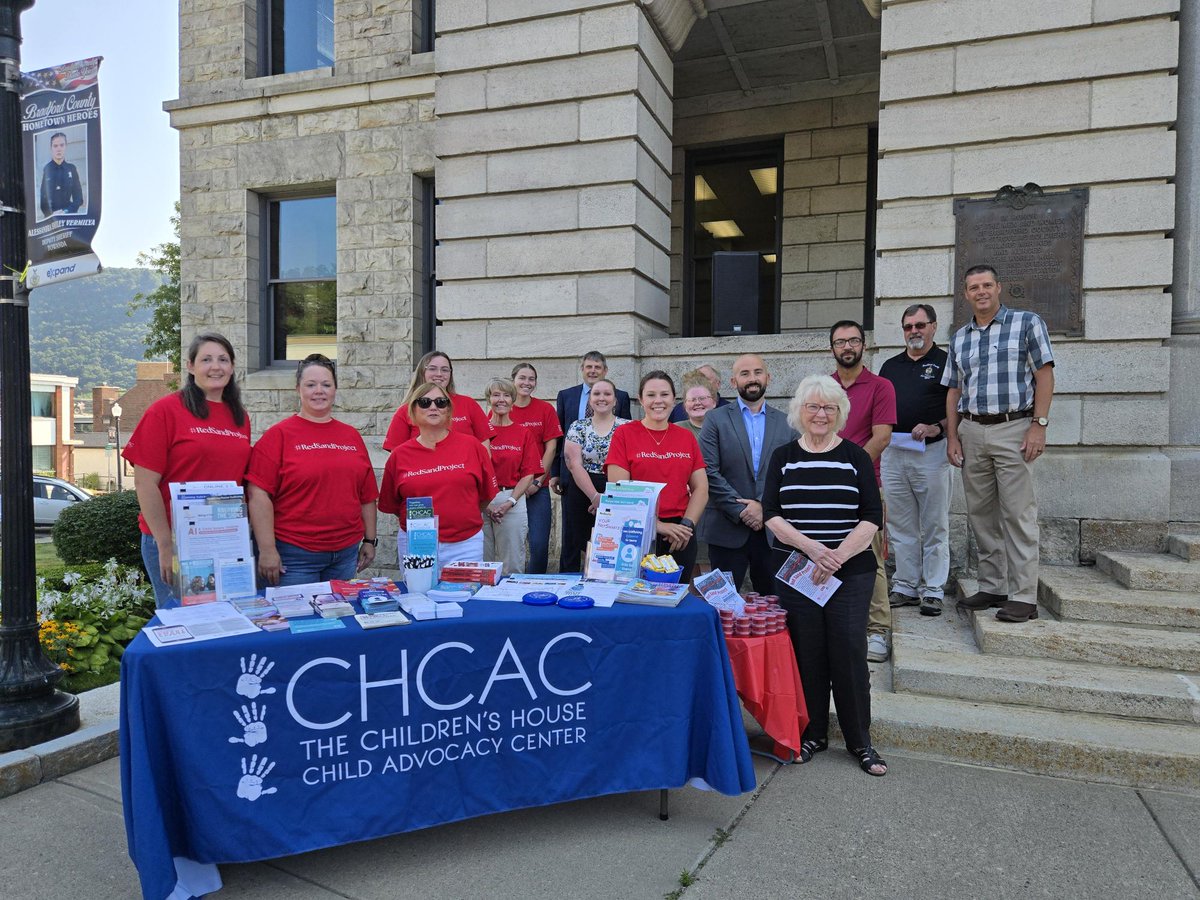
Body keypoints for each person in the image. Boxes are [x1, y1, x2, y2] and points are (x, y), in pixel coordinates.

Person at [763, 375, 886, 776]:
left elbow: (872, 516)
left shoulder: (856, 457)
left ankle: (860, 742)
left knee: (849, 652)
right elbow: (772, 515)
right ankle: (813, 733)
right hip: (799, 570)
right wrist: (813, 550)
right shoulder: (783, 456)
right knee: (807, 651)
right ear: (800, 412)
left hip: (850, 572)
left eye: (829, 408)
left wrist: (836, 556)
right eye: (813, 407)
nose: (820, 414)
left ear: (840, 414)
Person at [944, 264, 1055, 624]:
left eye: (987, 285)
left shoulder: (1026, 323)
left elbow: (1044, 375)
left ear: (999, 288)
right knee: (981, 514)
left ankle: (1024, 595)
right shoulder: (959, 337)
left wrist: (1038, 426)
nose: (981, 292)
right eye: (973, 287)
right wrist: (952, 435)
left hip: (1014, 427)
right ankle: (993, 585)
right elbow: (954, 390)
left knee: (1018, 513)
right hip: (972, 431)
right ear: (966, 294)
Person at [123, 332, 252, 607]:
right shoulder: (165, 411)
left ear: (232, 367)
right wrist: (164, 544)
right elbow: (144, 484)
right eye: (206, 359)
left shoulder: (240, 418)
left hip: (224, 538)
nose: (215, 367)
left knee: (228, 619)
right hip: (176, 540)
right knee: (181, 622)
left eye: (223, 359)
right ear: (191, 366)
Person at [246, 354, 379, 586]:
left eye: (326, 385)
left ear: (335, 389)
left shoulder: (351, 436)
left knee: (338, 619)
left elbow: (367, 496)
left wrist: (369, 540)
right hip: (295, 556)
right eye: (311, 385)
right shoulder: (278, 436)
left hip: (345, 555)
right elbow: (258, 494)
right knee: (298, 620)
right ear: (298, 389)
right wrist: (267, 550)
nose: (319, 391)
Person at [699, 354, 797, 594]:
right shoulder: (715, 419)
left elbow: (792, 474)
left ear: (768, 378)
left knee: (775, 606)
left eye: (757, 372)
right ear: (733, 382)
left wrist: (763, 507)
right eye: (744, 374)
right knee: (723, 606)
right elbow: (708, 470)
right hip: (727, 527)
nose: (752, 379)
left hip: (773, 531)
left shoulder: (788, 424)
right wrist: (743, 510)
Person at [830, 319, 896, 663]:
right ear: (832, 349)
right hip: (824, 488)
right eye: (840, 342)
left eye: (853, 341)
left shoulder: (881, 386)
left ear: (863, 346)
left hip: (864, 485)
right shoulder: (823, 388)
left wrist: (848, 470)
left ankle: (877, 630)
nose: (847, 347)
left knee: (870, 558)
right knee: (826, 553)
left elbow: (881, 437)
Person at [879, 304, 952, 617]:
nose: (914, 332)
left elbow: (958, 409)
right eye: (908, 326)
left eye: (920, 325)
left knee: (934, 524)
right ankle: (906, 586)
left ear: (933, 327)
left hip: (931, 453)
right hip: (894, 452)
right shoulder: (890, 366)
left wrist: (936, 426)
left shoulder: (947, 362)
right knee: (900, 524)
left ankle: (933, 590)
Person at [379, 382, 499, 568]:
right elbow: (394, 504)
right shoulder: (399, 455)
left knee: (465, 596)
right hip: (417, 543)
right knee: (418, 595)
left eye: (441, 402)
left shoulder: (472, 446)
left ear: (449, 410)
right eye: (425, 402)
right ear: (413, 410)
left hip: (465, 544)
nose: (433, 407)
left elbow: (485, 496)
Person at [605, 371, 708, 575]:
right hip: (635, 530)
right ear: (641, 399)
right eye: (651, 395)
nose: (658, 401)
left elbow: (701, 488)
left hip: (679, 535)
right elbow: (620, 493)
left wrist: (687, 526)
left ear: (674, 399)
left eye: (664, 395)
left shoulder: (686, 437)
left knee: (675, 599)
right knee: (638, 599)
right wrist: (656, 526)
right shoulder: (624, 434)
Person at [552, 351, 632, 571]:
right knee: (574, 540)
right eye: (597, 393)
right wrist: (595, 496)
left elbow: (631, 461)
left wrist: (609, 497)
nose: (601, 398)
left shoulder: (628, 428)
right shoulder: (578, 426)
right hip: (581, 489)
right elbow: (573, 462)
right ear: (590, 398)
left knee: (610, 543)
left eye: (607, 393)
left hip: (616, 491)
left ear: (615, 399)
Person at [483, 377, 544, 576]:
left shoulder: (522, 433)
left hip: (511, 499)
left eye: (507, 395)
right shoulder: (478, 432)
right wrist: (486, 504)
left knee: (512, 564)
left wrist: (509, 502)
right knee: (482, 562)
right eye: (496, 395)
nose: (501, 399)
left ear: (513, 400)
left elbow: (529, 474)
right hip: (480, 501)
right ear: (488, 399)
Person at [509, 362, 562, 574]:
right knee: (512, 545)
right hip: (510, 488)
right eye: (522, 378)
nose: (527, 383)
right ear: (513, 380)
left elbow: (551, 449)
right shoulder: (503, 408)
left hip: (537, 488)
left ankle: (534, 583)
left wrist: (538, 480)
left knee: (539, 544)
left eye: (531, 379)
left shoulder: (545, 409)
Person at [382, 351, 492, 451]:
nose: (439, 374)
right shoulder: (407, 409)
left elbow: (484, 447)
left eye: (444, 370)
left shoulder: (468, 404)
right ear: (422, 372)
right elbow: (396, 455)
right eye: (432, 368)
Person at [39, 131, 83, 217]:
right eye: (55, 146)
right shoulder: (47, 169)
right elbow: (43, 200)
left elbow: (78, 198)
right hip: (52, 219)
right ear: (51, 148)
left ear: (66, 146)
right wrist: (51, 214)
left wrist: (67, 211)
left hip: (69, 216)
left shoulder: (71, 169)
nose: (59, 149)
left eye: (62, 145)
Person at [675, 370, 717, 440]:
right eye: (692, 399)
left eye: (702, 398)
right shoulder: (675, 430)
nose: (697, 403)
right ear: (685, 405)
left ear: (714, 402)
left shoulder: (725, 428)